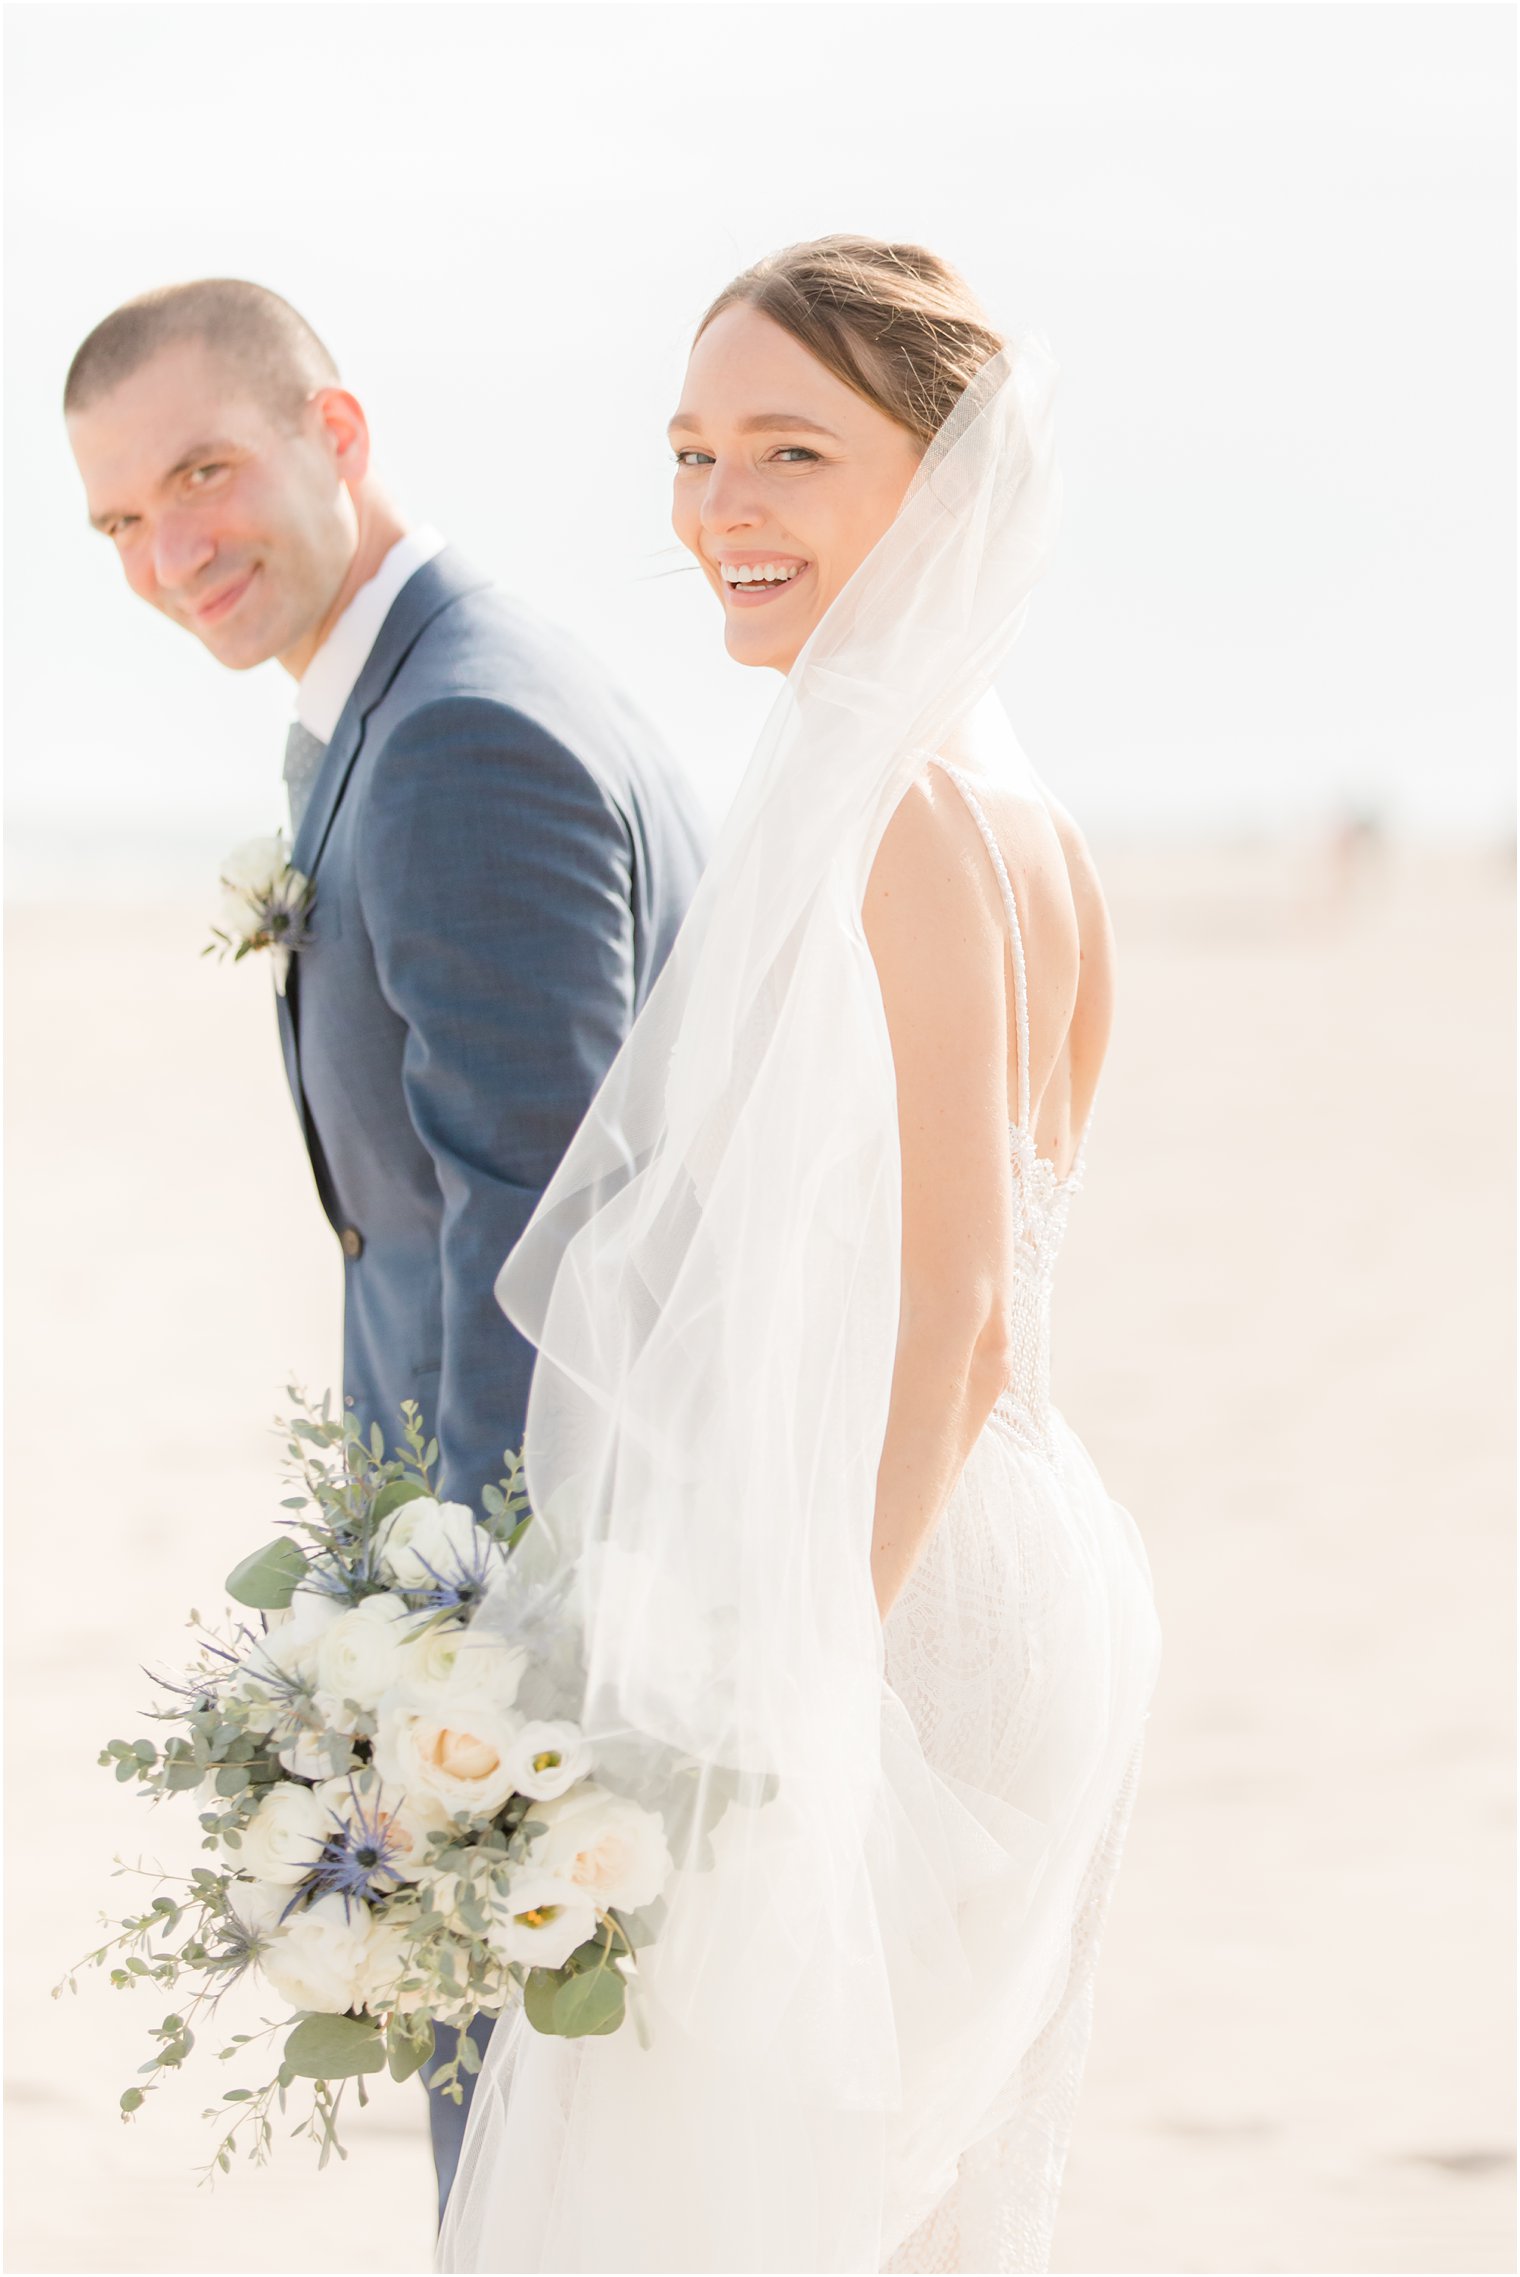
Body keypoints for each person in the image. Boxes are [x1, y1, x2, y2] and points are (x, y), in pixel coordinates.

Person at [440, 237, 1163, 2274]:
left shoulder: (903, 807)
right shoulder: (1027, 816)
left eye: (785, 452)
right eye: (689, 454)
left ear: (935, 483)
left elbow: (962, 1305)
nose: (716, 511)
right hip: (1012, 1546)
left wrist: (800, 1669)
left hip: (897, 1578)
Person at [61, 279, 708, 2217]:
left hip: (540, 1624)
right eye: (115, 522)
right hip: (505, 1579)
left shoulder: (460, 734)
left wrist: (457, 1671)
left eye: (203, 472)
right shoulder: (415, 694)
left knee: (545, 2185)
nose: (170, 552)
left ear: (332, 435)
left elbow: (542, 1222)